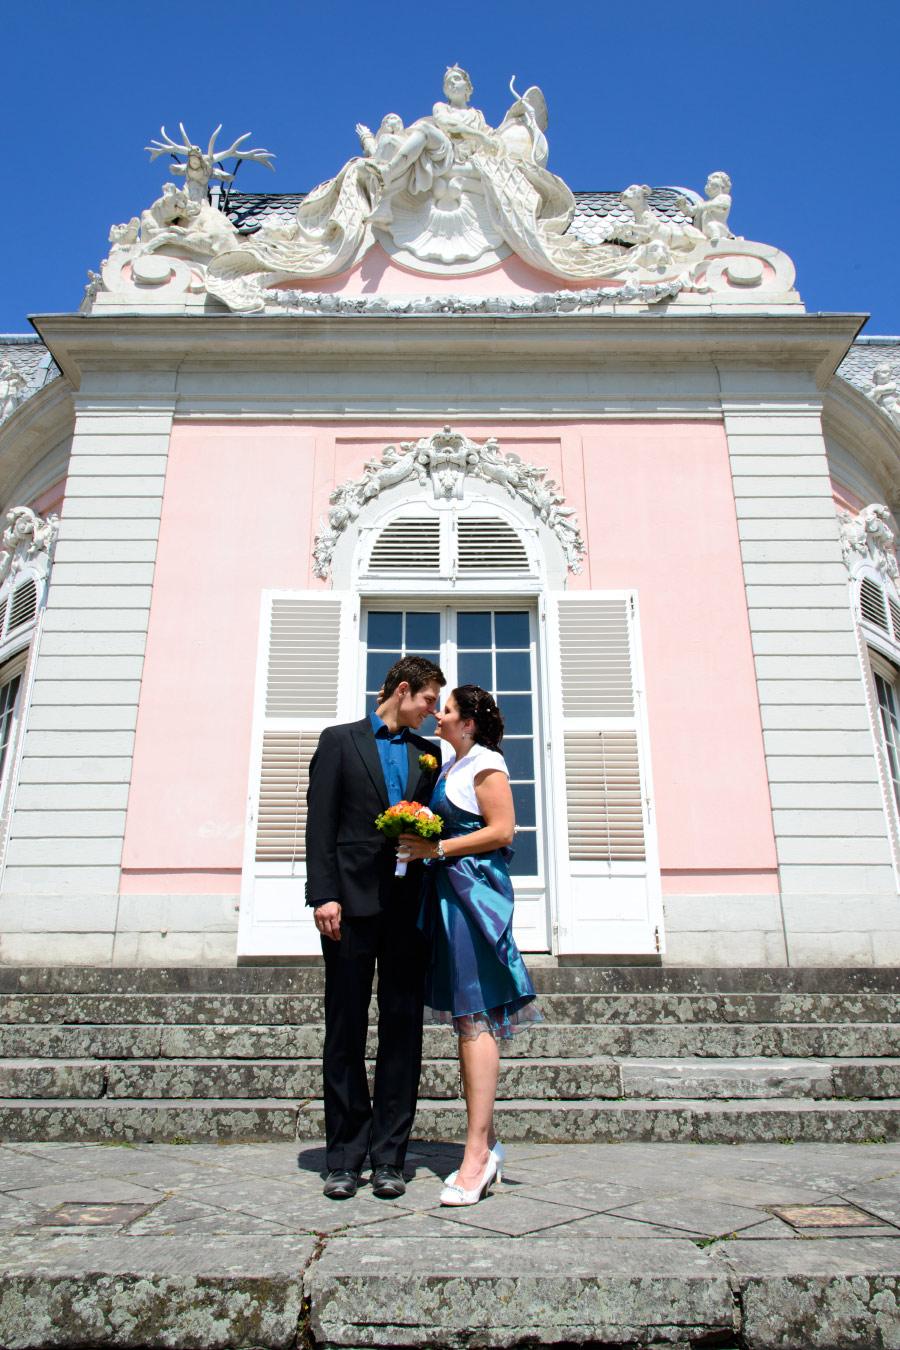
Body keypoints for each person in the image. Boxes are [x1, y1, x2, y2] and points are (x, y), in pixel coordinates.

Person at [305, 655, 445, 1200]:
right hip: (348, 909)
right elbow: (320, 822)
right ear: (404, 690)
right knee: (343, 1030)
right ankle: (343, 1157)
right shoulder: (338, 741)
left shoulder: (429, 754)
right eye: (430, 700)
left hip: (408, 909)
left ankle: (390, 1158)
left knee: (403, 1032)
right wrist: (324, 895)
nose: (433, 712)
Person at [398, 685, 542, 1206]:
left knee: (474, 1018)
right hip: (445, 895)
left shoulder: (486, 765)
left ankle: (477, 1155)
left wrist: (435, 846)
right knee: (465, 1018)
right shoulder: (451, 766)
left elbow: (503, 831)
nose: (438, 715)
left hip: (471, 896)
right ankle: (488, 1145)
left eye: (449, 710)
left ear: (469, 724)